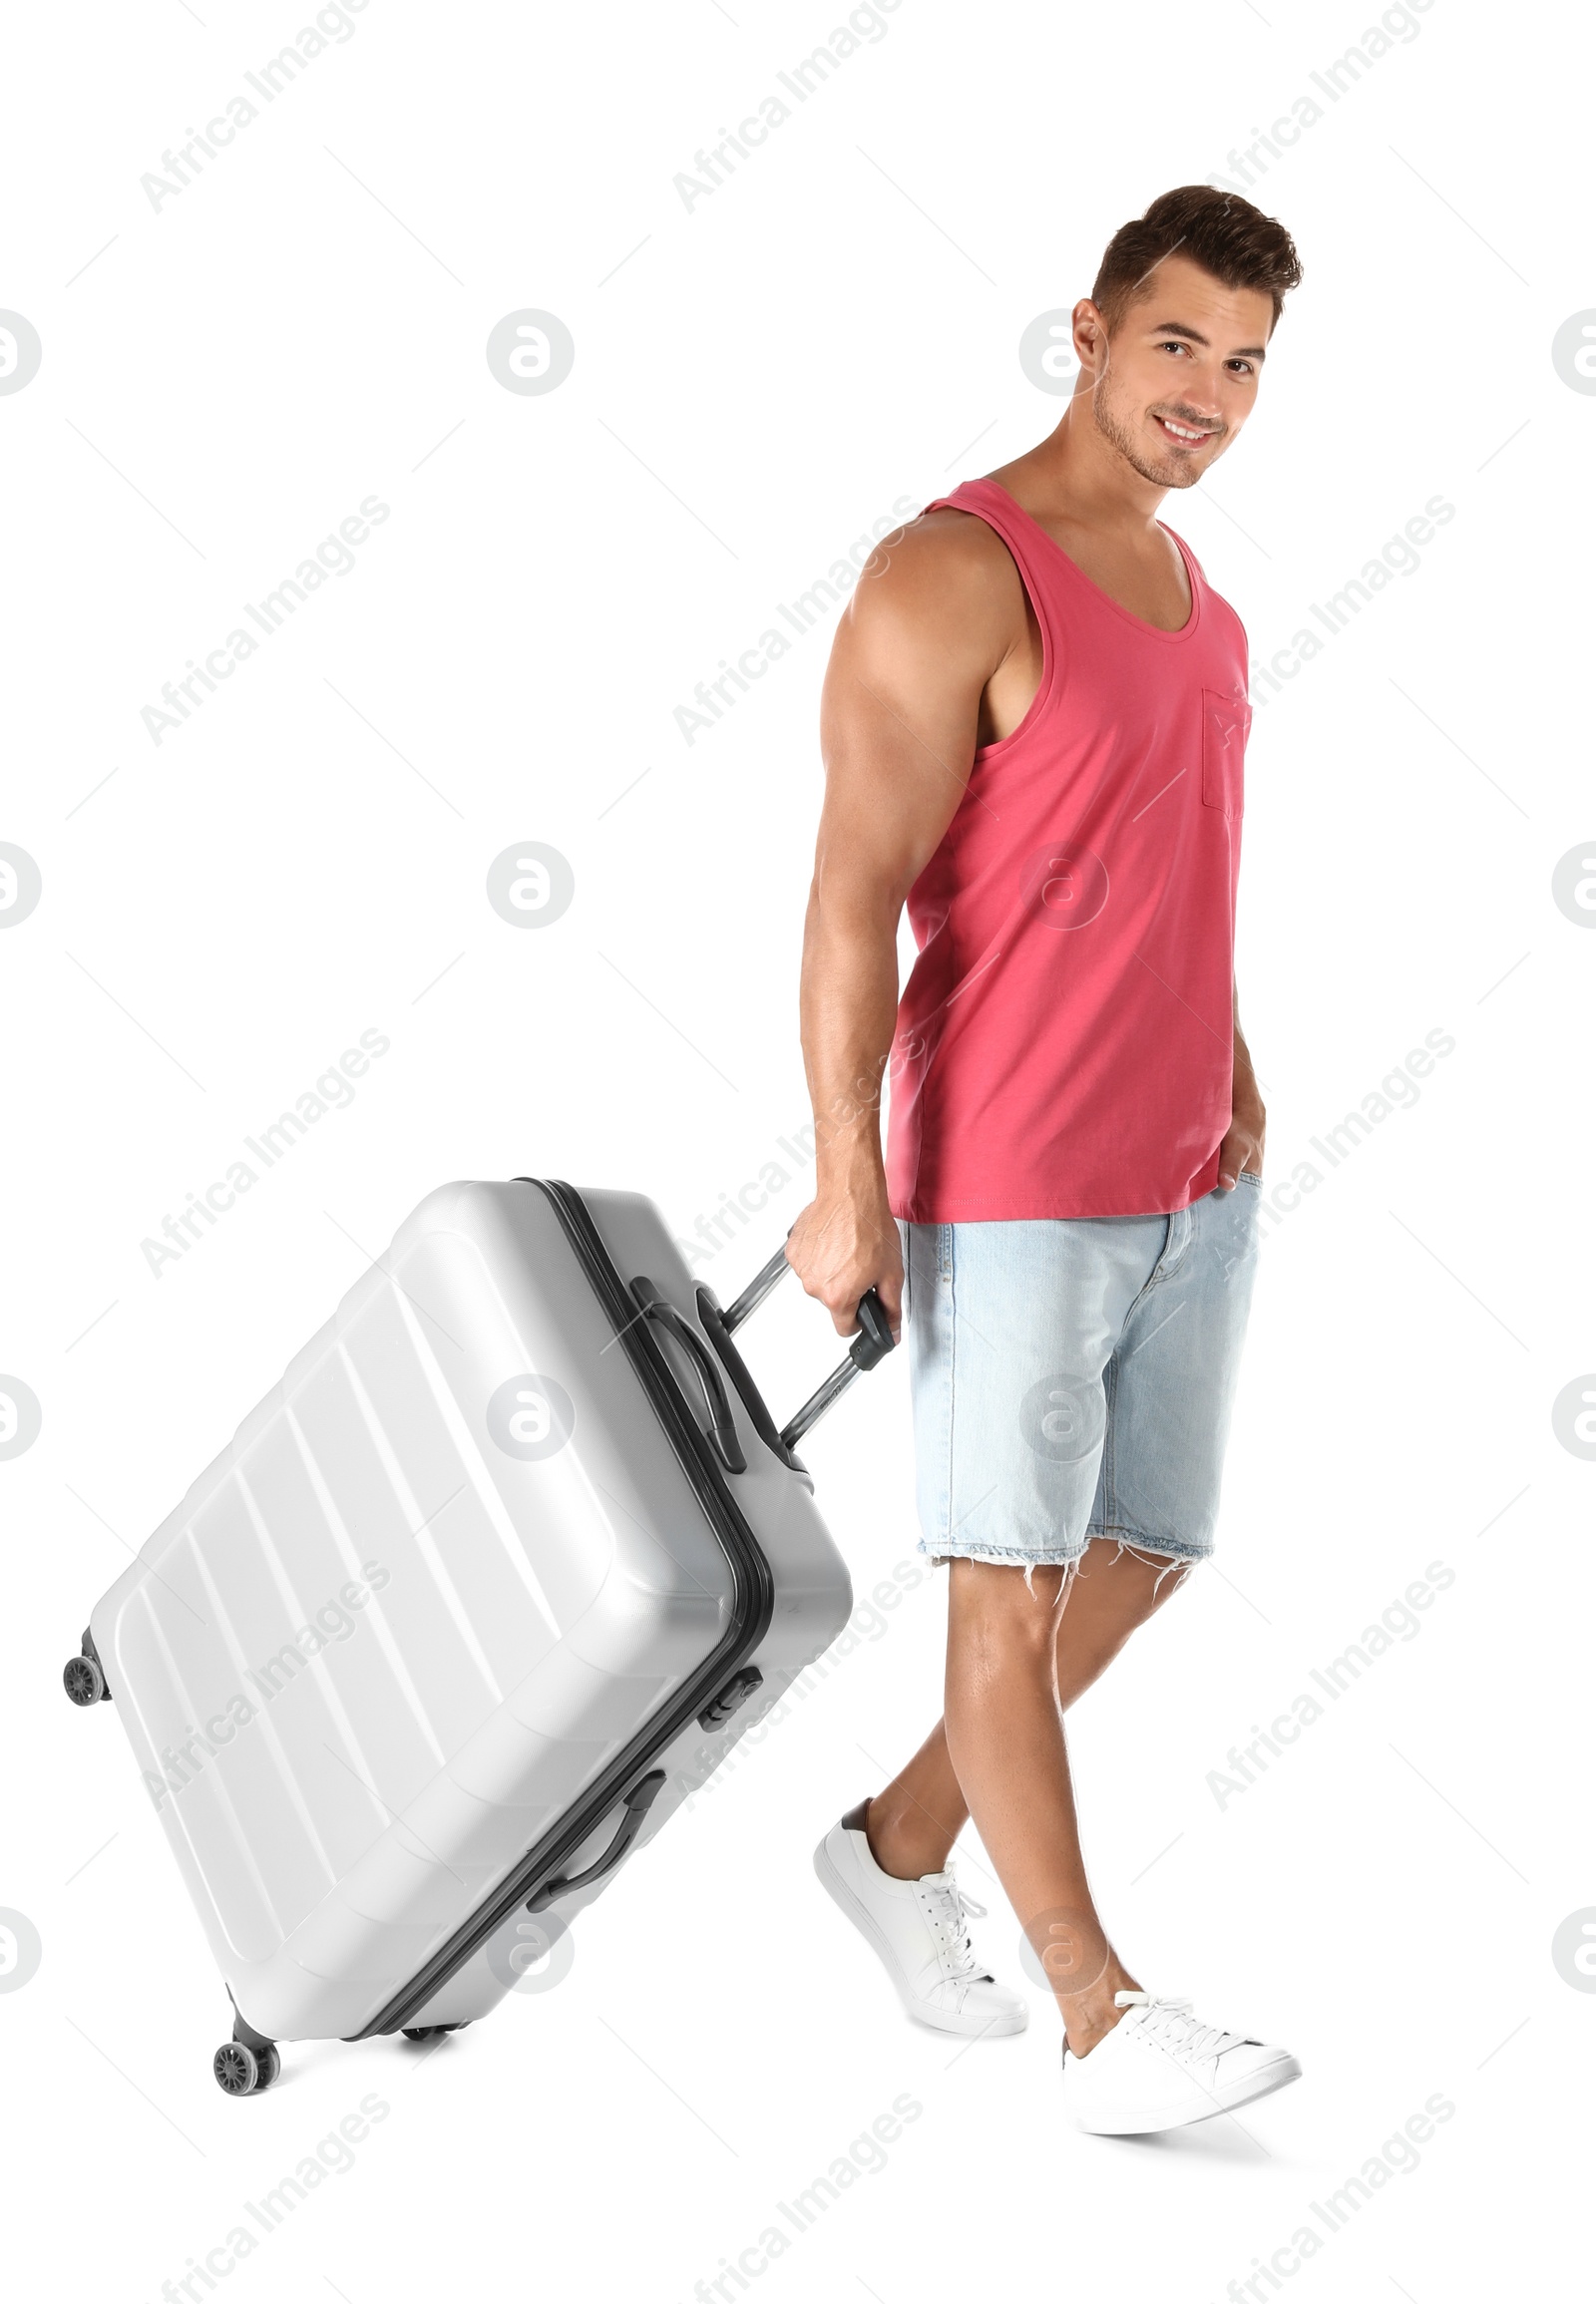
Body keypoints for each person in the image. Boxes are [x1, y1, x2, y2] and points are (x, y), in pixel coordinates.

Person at [788, 186, 1305, 2135]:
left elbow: (1160, 869)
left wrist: (1235, 1069)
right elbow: (850, 903)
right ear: (1081, 331)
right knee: (995, 1589)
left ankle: (891, 1850)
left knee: (1139, 1558)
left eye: (1244, 365)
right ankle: (1101, 2018)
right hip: (1007, 1179)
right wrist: (846, 1179)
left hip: (1191, 1175)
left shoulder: (1207, 608)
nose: (1208, 394)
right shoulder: (949, 574)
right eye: (1176, 344)